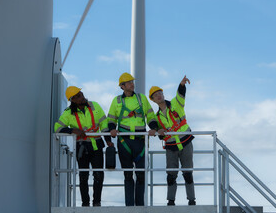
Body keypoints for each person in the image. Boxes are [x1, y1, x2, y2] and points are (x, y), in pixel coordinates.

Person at [54, 86, 113, 207]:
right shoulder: (68, 113)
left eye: (81, 94)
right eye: (78, 96)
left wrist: (108, 140)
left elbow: (104, 123)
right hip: (81, 147)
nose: (82, 97)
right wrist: (72, 130)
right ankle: (85, 203)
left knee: (98, 174)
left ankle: (97, 202)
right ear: (73, 100)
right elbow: (57, 128)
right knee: (83, 176)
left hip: (96, 145)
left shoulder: (95, 105)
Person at [107, 72, 158, 206]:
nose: (132, 84)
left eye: (132, 82)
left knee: (141, 175)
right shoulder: (116, 100)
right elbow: (111, 118)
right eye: (129, 82)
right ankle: (129, 207)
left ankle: (140, 207)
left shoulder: (142, 98)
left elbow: (151, 115)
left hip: (140, 141)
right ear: (122, 86)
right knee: (128, 175)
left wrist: (153, 128)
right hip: (124, 141)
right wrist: (112, 129)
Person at [149, 75, 196, 206]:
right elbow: (159, 134)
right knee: (171, 175)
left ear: (163, 94)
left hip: (185, 141)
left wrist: (182, 85)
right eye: (155, 95)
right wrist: (157, 131)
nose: (159, 96)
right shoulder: (156, 117)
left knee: (188, 173)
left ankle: (192, 200)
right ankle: (171, 201)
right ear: (153, 100)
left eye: (160, 93)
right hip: (171, 146)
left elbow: (181, 94)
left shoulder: (176, 103)